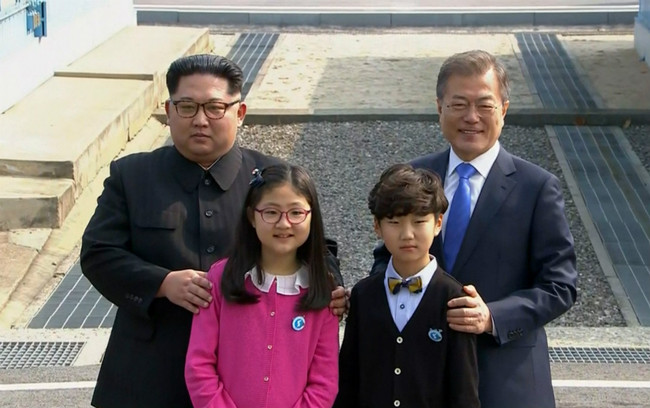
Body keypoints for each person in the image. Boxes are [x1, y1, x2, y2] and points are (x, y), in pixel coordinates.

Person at [81, 54, 346, 408]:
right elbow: (99, 253)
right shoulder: (132, 176)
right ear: (168, 110)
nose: (201, 120)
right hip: (148, 371)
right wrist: (162, 283)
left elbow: (319, 248)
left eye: (215, 107)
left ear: (240, 112)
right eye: (187, 106)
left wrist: (330, 288)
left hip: (248, 380)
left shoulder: (273, 177)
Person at [372, 50, 577, 408]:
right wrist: (363, 297)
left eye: (485, 105)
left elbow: (560, 285)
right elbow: (385, 261)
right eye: (458, 104)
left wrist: (492, 317)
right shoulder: (413, 176)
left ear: (504, 110)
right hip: (421, 374)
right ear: (439, 108)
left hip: (504, 380)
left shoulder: (536, 187)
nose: (471, 118)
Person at [185, 164, 339, 408]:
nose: (284, 223)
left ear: (312, 216)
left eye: (296, 213)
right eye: (271, 212)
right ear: (251, 217)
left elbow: (324, 380)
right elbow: (199, 365)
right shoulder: (220, 278)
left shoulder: (322, 289)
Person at [336, 164, 479, 408]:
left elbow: (464, 391)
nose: (407, 234)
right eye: (394, 222)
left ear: (438, 224)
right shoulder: (363, 294)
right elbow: (349, 377)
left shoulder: (454, 297)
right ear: (377, 226)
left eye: (419, 221)